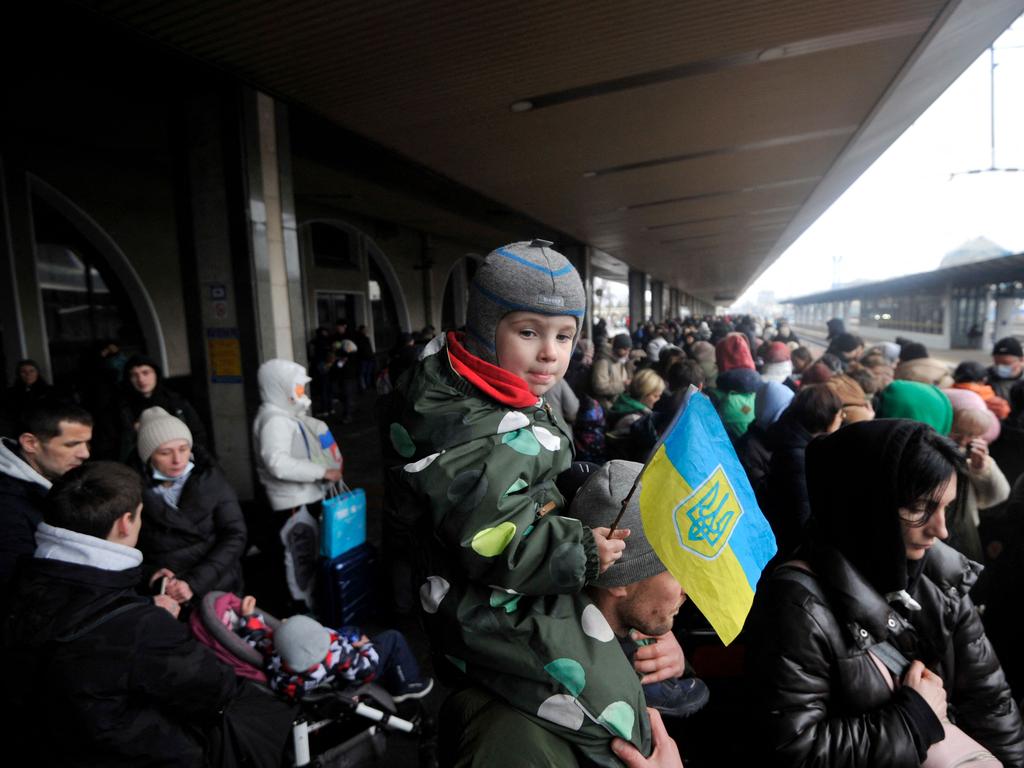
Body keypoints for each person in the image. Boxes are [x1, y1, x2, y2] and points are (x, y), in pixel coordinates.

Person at [389, 240, 651, 764]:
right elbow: (491, 539)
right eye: (528, 332)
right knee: (613, 713)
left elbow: (521, 477)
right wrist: (581, 551)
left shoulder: (484, 388)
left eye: (564, 335)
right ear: (488, 329)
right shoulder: (469, 428)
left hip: (504, 590)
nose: (550, 352)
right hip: (485, 609)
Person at [746, 420, 1024, 767]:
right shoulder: (798, 607)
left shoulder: (943, 576)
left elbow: (989, 699)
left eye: (946, 508)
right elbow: (793, 750)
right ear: (866, 505)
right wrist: (913, 719)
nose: (941, 529)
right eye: (920, 507)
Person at [2, 461, 279, 766]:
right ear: (125, 523)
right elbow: (213, 688)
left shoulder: (22, 576)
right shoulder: (143, 626)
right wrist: (154, 618)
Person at [253, 359, 342, 611]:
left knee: (302, 555)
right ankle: (303, 609)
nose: (301, 395)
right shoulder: (274, 420)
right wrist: (322, 471)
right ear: (279, 388)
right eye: (298, 389)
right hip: (293, 502)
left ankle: (306, 605)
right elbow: (277, 463)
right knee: (299, 558)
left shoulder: (282, 416)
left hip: (301, 499)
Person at [136, 406, 247, 603]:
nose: (177, 459)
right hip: (167, 596)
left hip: (218, 586)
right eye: (165, 452)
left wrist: (193, 582)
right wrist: (152, 575)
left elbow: (235, 534)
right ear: (148, 457)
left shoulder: (212, 480)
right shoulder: (132, 491)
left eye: (183, 449)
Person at [227, 601, 432, 702]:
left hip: (325, 683)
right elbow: (367, 667)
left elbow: (258, 640)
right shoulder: (337, 653)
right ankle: (406, 685)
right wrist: (365, 646)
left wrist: (248, 619)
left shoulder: (280, 667)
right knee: (392, 638)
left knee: (349, 632)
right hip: (349, 677)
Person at [0, 402, 92, 595]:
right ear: (30, 443)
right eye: (72, 444)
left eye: (86, 442)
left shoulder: (58, 476)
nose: (85, 453)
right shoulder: (7, 507)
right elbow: (20, 588)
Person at [761, 384, 843, 560]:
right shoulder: (798, 456)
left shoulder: (790, 437)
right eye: (839, 414)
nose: (841, 419)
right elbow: (802, 519)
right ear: (827, 417)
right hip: (786, 553)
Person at [110, 354, 208, 462]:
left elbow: (198, 434)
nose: (141, 379)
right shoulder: (120, 408)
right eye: (134, 375)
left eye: (145, 372)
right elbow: (112, 445)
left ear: (156, 373)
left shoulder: (176, 402)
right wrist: (132, 432)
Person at [945, 405, 1009, 562]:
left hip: (966, 527)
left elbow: (999, 495)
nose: (964, 440)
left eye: (972, 435)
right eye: (958, 432)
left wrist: (980, 468)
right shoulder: (939, 450)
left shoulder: (977, 456)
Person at [593, 333, 634, 410]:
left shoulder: (620, 360)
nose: (627, 353)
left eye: (629, 350)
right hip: (606, 406)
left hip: (617, 402)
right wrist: (623, 385)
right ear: (616, 348)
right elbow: (599, 387)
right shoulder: (603, 362)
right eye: (624, 349)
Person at [989, 337, 1024, 401]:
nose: (1000, 366)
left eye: (1006, 363)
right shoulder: (983, 377)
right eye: (997, 363)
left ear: (1021, 360)